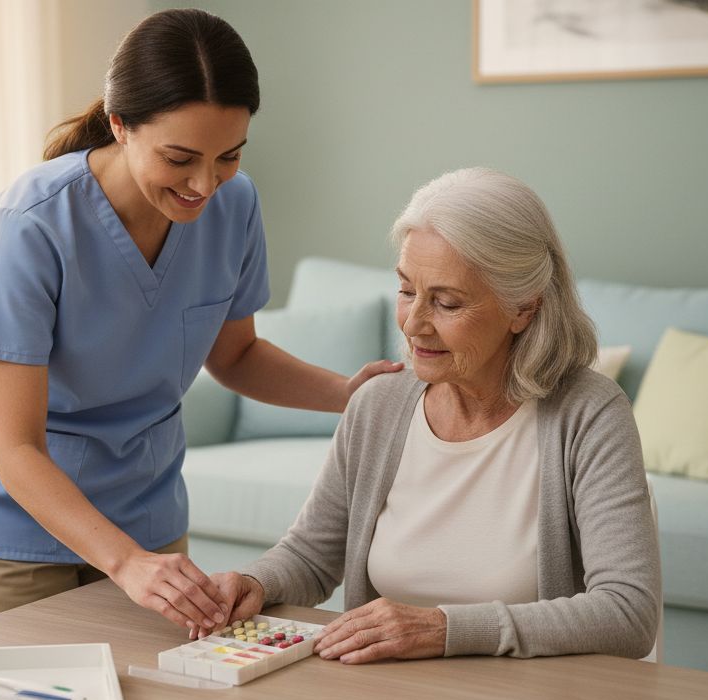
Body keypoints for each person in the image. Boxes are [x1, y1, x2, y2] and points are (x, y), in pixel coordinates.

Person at [0, 9, 400, 631]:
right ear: (119, 125)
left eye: (229, 156)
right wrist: (125, 563)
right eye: (180, 158)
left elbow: (235, 356)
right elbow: (15, 446)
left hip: (144, 512)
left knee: (165, 689)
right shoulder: (31, 224)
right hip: (15, 523)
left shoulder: (235, 206)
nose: (204, 184)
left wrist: (348, 395)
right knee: (40, 694)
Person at [210, 168, 661, 662]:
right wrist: (255, 581)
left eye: (446, 302)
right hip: (380, 697)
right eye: (407, 291)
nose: (414, 324)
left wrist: (445, 629)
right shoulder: (378, 404)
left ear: (523, 309)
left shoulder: (589, 414)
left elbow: (627, 613)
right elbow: (311, 556)